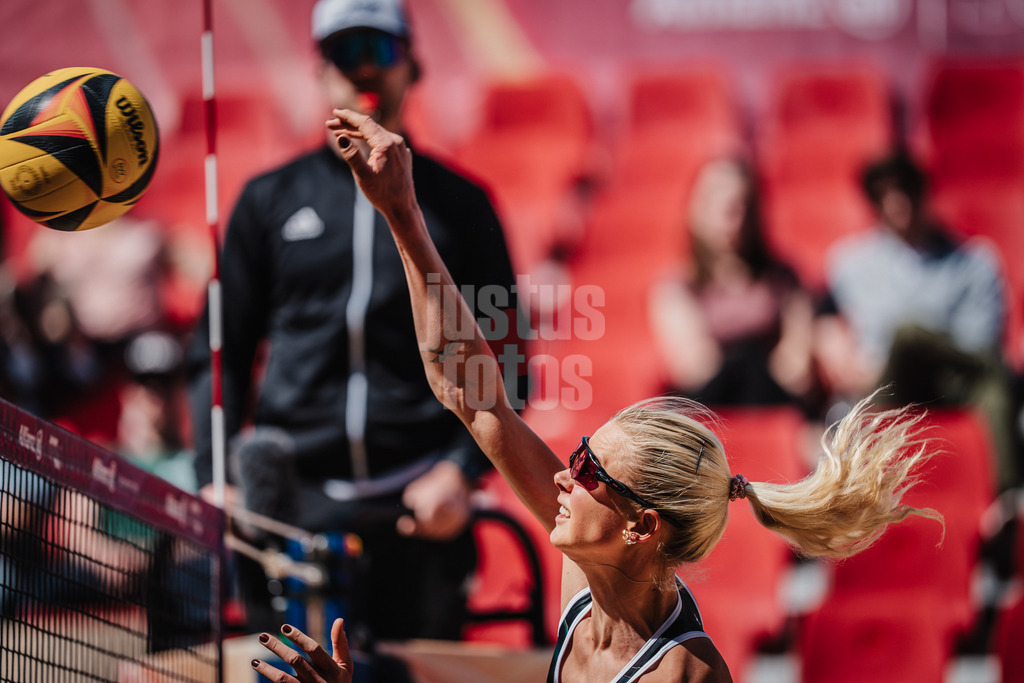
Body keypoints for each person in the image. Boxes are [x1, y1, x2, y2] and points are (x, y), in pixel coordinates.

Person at [249, 110, 944, 681]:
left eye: (588, 473)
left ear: (642, 527)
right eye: (580, 456)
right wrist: (401, 212)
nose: (564, 475)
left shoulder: (683, 673)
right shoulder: (586, 576)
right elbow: (473, 397)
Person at [184, 0, 524, 640]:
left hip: (419, 509)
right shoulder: (267, 201)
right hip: (293, 509)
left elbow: (507, 359)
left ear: (414, 67)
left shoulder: (462, 203)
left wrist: (459, 469)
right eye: (345, 50)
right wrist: (214, 475)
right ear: (319, 70)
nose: (366, 66)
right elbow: (218, 352)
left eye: (383, 48)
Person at [814, 151, 1016, 488]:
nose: (896, 202)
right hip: (888, 381)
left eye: (905, 189)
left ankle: (1008, 503)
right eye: (884, 193)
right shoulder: (849, 262)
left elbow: (982, 346)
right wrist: (831, 345)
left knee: (992, 390)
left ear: (923, 191)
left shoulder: (974, 261)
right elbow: (822, 313)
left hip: (954, 379)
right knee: (906, 338)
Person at [648, 156, 817, 411]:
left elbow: (797, 367)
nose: (732, 217)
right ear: (696, 208)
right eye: (719, 204)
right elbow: (693, 367)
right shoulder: (677, 286)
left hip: (773, 400)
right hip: (710, 404)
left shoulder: (782, 278)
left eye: (741, 205)